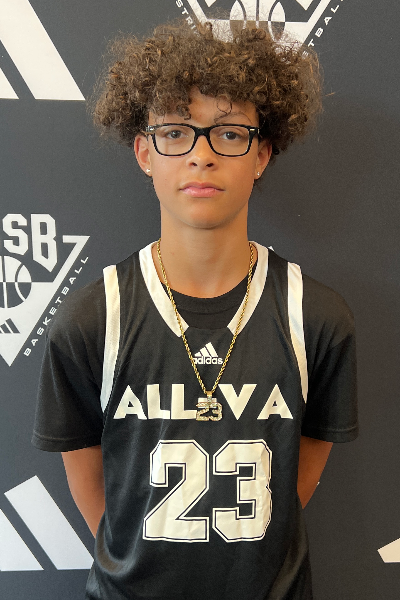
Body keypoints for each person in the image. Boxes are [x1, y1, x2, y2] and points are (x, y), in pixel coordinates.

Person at [32, 19, 358, 600]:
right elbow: (93, 483)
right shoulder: (91, 320)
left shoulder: (317, 317)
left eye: (229, 134)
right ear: (144, 152)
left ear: (261, 154)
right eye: (176, 133)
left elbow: (298, 472)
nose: (201, 156)